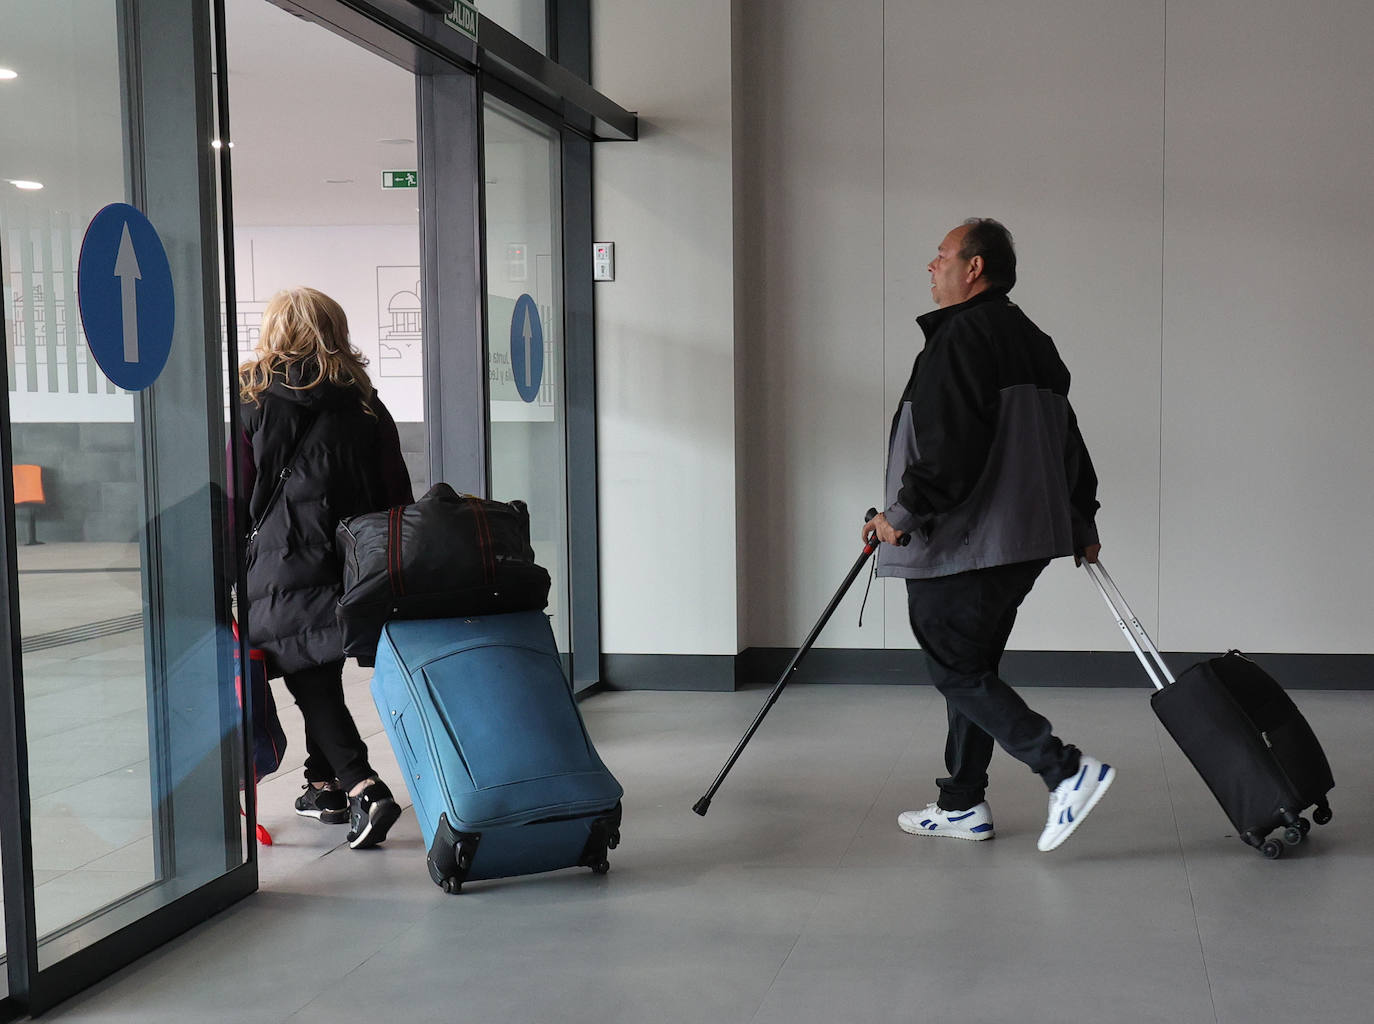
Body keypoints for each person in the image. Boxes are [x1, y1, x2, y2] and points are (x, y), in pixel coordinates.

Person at [862, 218, 1113, 853]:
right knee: (972, 669)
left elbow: (949, 446)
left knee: (956, 670)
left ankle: (1064, 769)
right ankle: (963, 804)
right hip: (1023, 542)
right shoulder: (1033, 339)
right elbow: (1067, 439)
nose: (931, 266)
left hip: (968, 542)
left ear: (974, 268)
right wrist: (1081, 518)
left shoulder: (961, 337)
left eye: (941, 255)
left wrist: (901, 515)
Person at [232, 286, 413, 849]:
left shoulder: (253, 397)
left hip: (282, 559)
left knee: (311, 676)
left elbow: (236, 495)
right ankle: (323, 784)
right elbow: (397, 494)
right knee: (318, 660)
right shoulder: (364, 404)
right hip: (353, 558)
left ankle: (365, 787)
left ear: (275, 330)